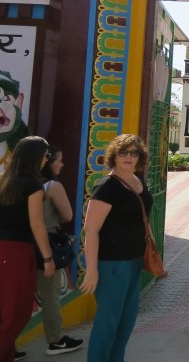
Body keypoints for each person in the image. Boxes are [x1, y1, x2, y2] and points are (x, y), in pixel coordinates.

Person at [80, 134, 152, 362]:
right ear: (114, 156)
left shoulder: (138, 180)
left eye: (134, 153)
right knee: (108, 321)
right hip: (112, 264)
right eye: (123, 153)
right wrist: (91, 270)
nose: (128, 157)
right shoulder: (108, 186)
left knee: (127, 320)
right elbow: (90, 230)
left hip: (134, 260)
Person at [0, 136, 56, 362]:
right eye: (46, 155)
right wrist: (48, 257)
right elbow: (36, 223)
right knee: (17, 313)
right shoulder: (33, 185)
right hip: (17, 253)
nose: (47, 160)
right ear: (37, 157)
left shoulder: (5, 181)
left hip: (4, 250)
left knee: (5, 311)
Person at [36, 146, 84, 356]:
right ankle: (55, 340)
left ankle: (11, 344)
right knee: (50, 295)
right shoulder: (52, 186)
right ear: (48, 162)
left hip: (20, 242)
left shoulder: (22, 183)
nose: (62, 164)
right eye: (59, 160)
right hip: (46, 243)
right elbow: (67, 214)